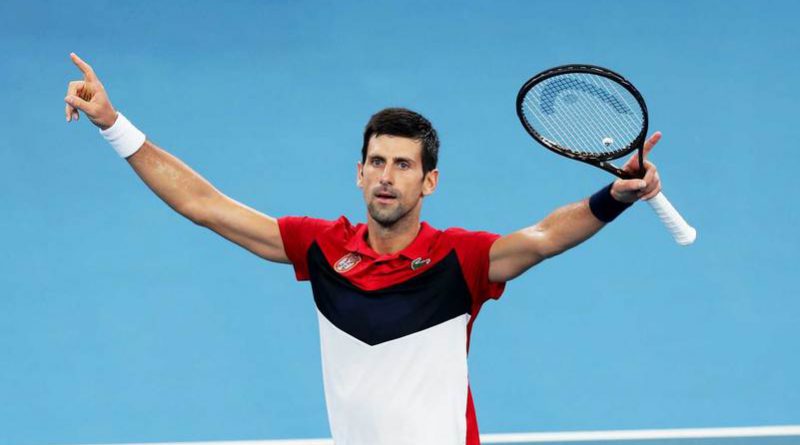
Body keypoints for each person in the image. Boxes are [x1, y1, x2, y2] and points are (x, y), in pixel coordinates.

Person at [64, 52, 662, 445]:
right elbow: (205, 205)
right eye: (377, 161)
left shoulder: (461, 260)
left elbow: (545, 237)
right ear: (358, 172)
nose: (386, 177)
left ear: (429, 182)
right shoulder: (321, 247)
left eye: (403, 165)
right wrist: (114, 124)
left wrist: (613, 196)